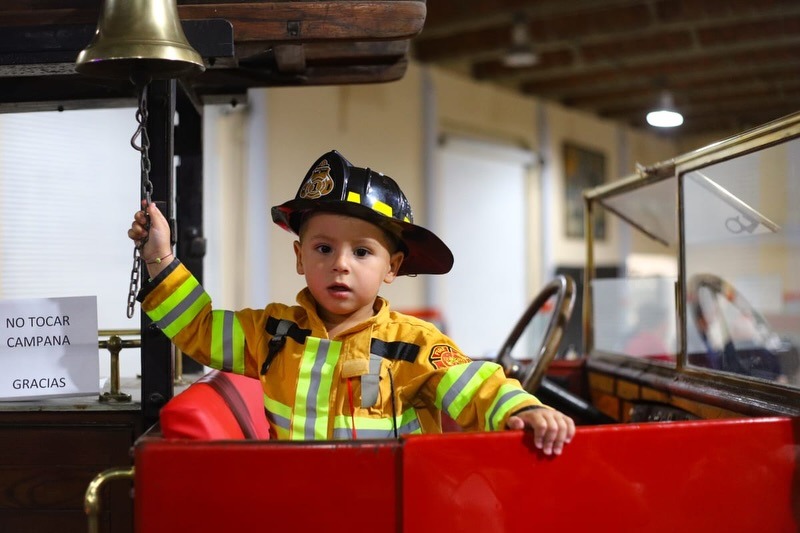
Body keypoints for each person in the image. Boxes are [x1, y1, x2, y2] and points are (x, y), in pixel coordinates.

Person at [128, 150, 575, 455]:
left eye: (362, 252)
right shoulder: (271, 333)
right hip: (298, 504)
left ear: (392, 267)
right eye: (323, 249)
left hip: (388, 508)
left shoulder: (414, 345)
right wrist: (159, 258)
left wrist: (523, 408)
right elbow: (199, 327)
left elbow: (475, 386)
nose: (340, 264)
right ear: (300, 257)